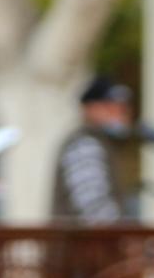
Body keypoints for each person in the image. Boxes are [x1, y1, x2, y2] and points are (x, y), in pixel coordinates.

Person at [54, 76, 136, 225]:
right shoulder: (84, 144)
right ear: (89, 108)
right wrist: (126, 238)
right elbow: (94, 208)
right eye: (109, 106)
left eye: (123, 107)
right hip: (80, 247)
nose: (119, 113)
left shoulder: (105, 144)